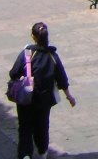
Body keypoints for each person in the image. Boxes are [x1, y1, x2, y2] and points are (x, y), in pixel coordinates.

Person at [8, 21, 76, 159]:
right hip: (44, 99)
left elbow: (13, 73)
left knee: (25, 127)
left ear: (33, 36)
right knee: (42, 126)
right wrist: (69, 96)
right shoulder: (53, 56)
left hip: (26, 98)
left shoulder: (27, 54)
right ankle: (42, 152)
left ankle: (25, 154)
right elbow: (62, 78)